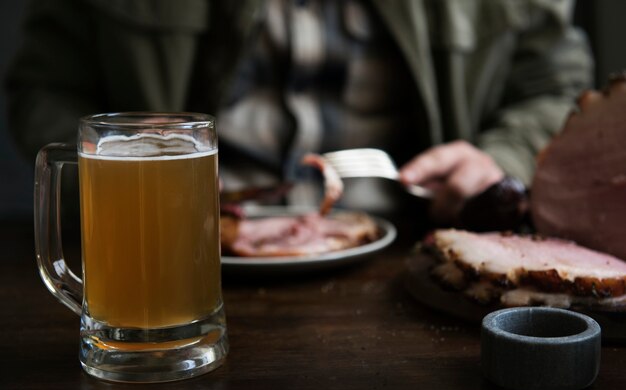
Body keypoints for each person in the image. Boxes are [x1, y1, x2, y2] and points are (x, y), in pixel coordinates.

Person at [6, 0, 593, 224]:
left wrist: (498, 159)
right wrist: (125, 175)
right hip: (176, 253)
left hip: (411, 255)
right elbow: (43, 90)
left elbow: (558, 87)